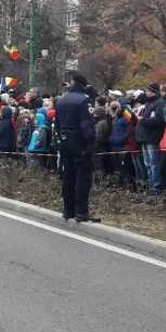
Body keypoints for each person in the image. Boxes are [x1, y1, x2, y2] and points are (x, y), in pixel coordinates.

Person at [55, 74, 97, 222]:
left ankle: (68, 210)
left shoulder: (61, 99)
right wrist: (90, 143)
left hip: (65, 140)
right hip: (79, 141)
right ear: (83, 85)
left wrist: (60, 139)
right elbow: (87, 124)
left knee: (68, 175)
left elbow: (58, 123)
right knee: (83, 176)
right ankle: (81, 212)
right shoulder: (84, 100)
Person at [136, 83, 166, 194]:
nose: (146, 93)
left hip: (152, 138)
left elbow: (158, 121)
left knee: (154, 164)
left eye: (148, 91)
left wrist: (142, 120)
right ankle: (150, 184)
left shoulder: (160, 103)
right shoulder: (148, 103)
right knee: (147, 163)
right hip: (144, 137)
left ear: (153, 92)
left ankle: (156, 186)